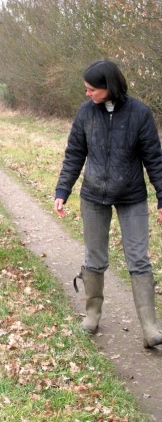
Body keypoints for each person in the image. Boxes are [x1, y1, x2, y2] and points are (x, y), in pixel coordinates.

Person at [54, 59, 162, 348]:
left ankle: (151, 328)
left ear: (109, 87)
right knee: (95, 259)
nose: (87, 93)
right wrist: (62, 190)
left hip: (132, 197)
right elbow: (74, 154)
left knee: (139, 259)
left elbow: (155, 159)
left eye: (92, 89)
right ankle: (92, 315)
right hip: (93, 197)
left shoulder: (140, 113)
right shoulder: (85, 113)